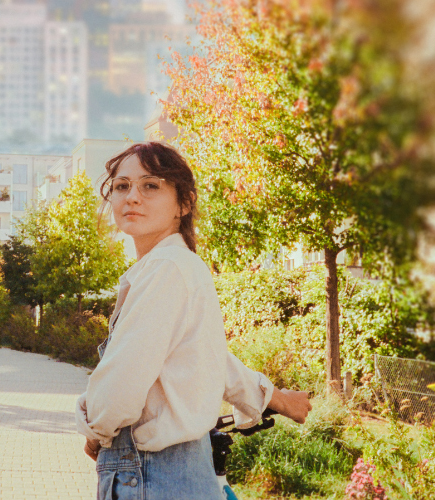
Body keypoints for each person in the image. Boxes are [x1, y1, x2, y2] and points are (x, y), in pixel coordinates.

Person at [75, 142, 312, 500]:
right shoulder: (173, 267)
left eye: (150, 185)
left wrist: (97, 429)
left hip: (151, 475)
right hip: (177, 475)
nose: (132, 197)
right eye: (121, 186)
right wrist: (273, 397)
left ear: (183, 204)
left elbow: (120, 388)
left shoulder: (167, 269)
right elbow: (204, 354)